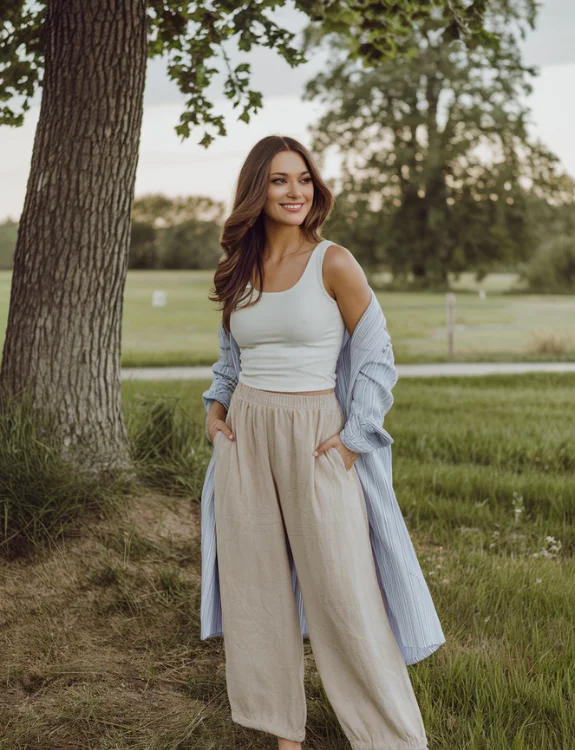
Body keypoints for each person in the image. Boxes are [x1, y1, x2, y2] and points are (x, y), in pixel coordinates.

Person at [201, 134, 441, 750]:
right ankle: (283, 733)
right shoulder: (238, 269)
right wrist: (216, 408)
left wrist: (356, 438)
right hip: (246, 436)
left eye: (303, 179)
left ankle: (388, 736)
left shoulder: (334, 261)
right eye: (280, 180)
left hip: (317, 437)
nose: (295, 191)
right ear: (258, 189)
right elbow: (231, 355)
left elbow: (377, 355)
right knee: (256, 589)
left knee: (344, 591)